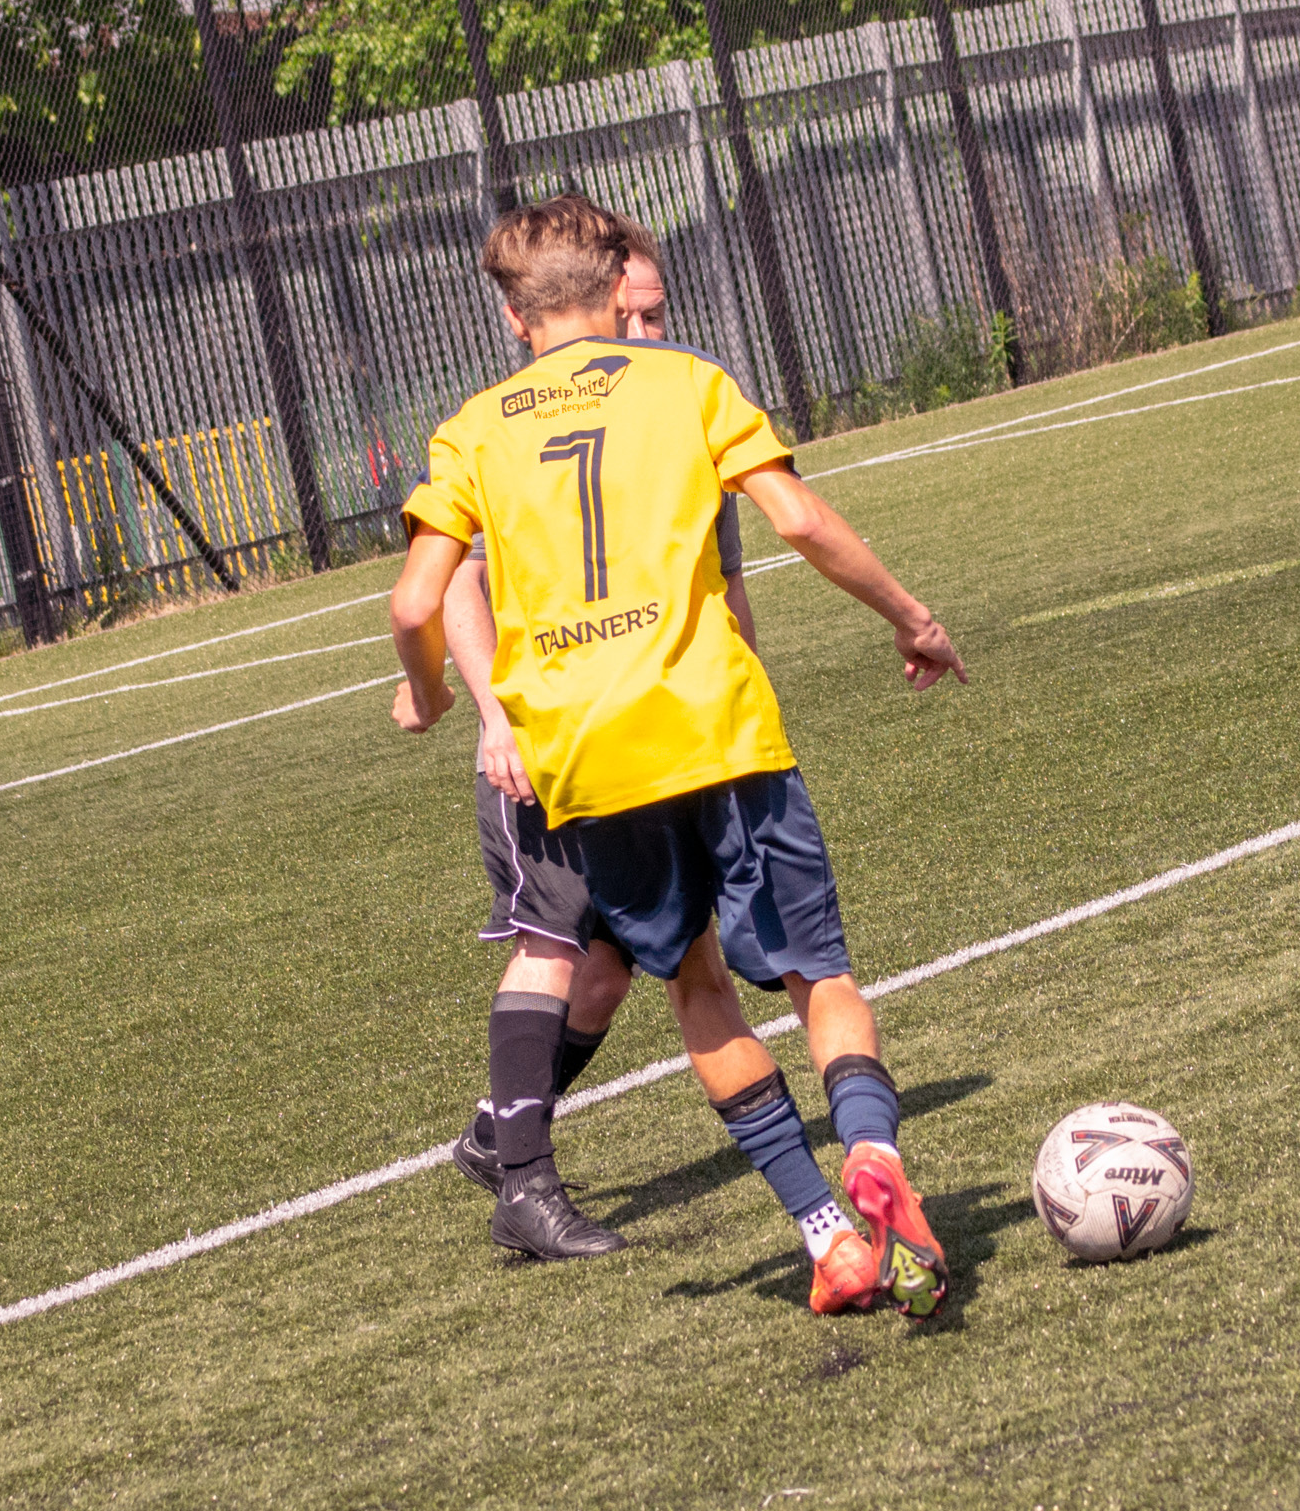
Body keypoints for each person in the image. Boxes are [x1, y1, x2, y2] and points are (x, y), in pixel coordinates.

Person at [390, 195, 968, 1324]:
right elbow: (798, 521)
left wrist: (431, 690)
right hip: (717, 728)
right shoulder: (690, 381)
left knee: (697, 985)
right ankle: (869, 1150)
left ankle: (825, 1236)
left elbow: (418, 599)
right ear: (617, 289)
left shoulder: (472, 430)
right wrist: (912, 617)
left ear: (513, 318)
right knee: (817, 975)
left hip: (590, 759)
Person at [439, 225, 757, 1198]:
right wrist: (494, 714)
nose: (645, 329)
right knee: (561, 942)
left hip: (657, 733)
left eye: (658, 314)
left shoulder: (680, 407)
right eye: (634, 312)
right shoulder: (516, 434)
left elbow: (727, 586)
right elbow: (450, 585)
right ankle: (523, 1177)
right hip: (555, 736)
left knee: (610, 971)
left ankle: (498, 1135)